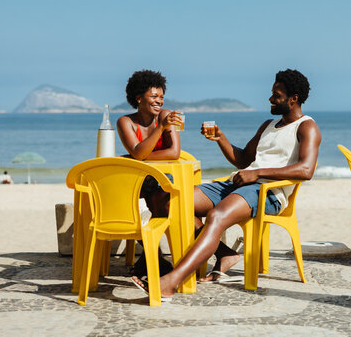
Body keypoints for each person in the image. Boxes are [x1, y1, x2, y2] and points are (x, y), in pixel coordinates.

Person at [132, 68, 321, 298]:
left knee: (216, 216)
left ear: (294, 99)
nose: (271, 98)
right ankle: (225, 254)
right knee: (171, 201)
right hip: (238, 184)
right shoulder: (268, 125)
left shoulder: (306, 126)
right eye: (272, 93)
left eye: (277, 95)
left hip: (268, 192)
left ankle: (170, 281)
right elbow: (242, 160)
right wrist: (221, 138)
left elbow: (306, 169)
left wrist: (257, 173)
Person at [117, 69, 184, 279]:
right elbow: (137, 153)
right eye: (154, 96)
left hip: (162, 180)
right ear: (139, 98)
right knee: (128, 205)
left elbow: (174, 153)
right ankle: (154, 258)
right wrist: (159, 131)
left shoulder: (165, 116)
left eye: (161, 97)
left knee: (159, 199)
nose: (159, 101)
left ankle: (150, 259)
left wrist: (142, 155)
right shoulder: (125, 122)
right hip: (137, 183)